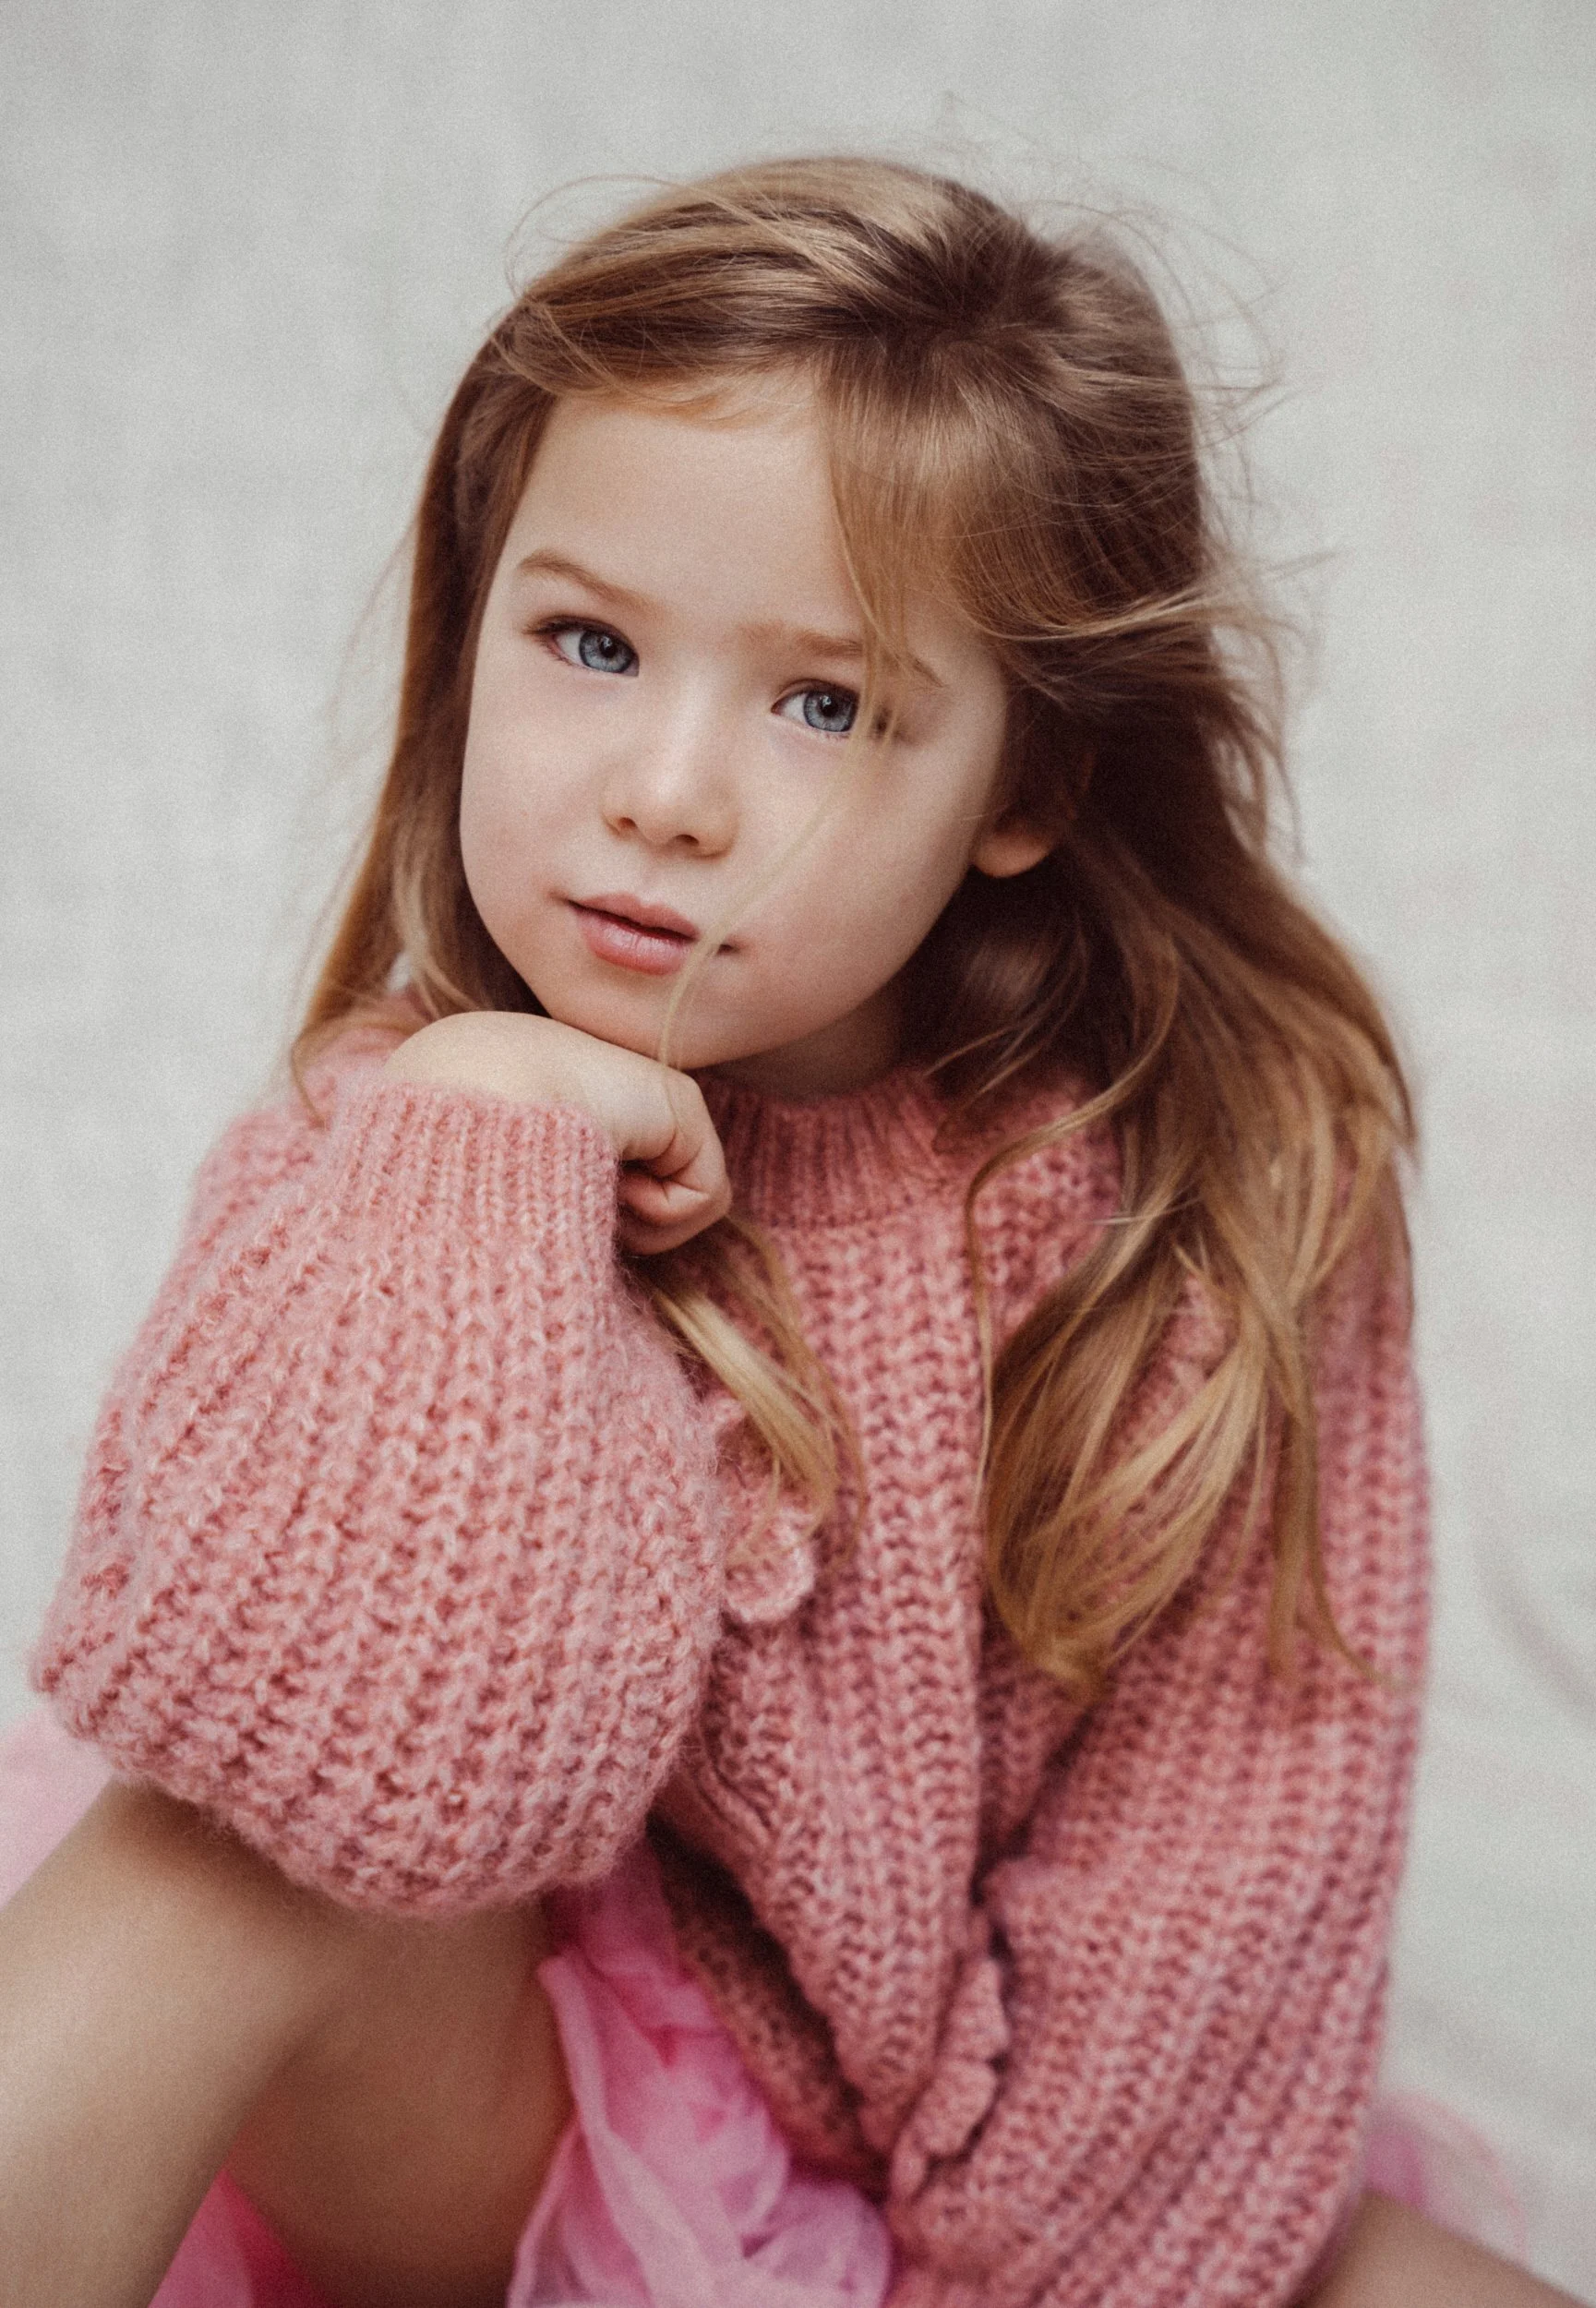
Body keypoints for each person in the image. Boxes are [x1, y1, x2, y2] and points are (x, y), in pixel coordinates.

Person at [0, 157, 1583, 2308]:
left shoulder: (1213, 1201)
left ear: (1024, 778)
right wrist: (485, 1141)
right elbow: (362, 1770)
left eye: (824, 704)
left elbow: (1223, 1878)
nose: (665, 787)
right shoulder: (400, 1140)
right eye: (585, 641)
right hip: (527, 2100)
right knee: (202, 1871)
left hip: (1028, 2173)